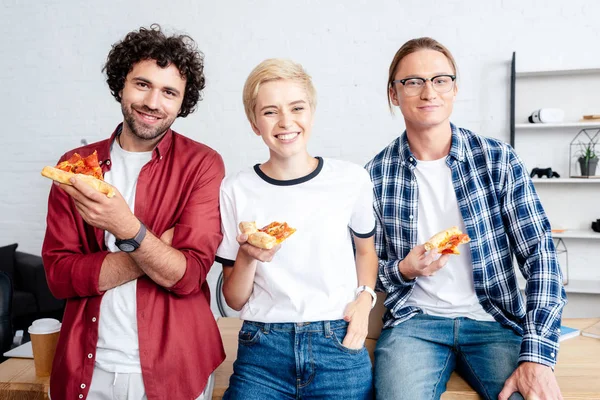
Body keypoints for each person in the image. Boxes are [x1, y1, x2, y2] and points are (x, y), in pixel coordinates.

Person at [366, 37, 567, 400]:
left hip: (493, 320)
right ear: (394, 95)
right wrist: (405, 269)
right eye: (413, 81)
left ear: (455, 89)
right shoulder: (374, 175)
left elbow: (542, 256)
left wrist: (538, 355)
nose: (429, 92)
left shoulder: (497, 159)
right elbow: (367, 270)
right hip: (415, 324)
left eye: (440, 80)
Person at [42, 25, 225, 400]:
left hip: (176, 367)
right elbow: (59, 277)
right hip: (86, 367)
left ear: (182, 101)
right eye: (142, 84)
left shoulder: (203, 165)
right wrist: (152, 248)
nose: (153, 102)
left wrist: (123, 228)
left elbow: (188, 277)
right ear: (121, 84)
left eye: (169, 92)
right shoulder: (74, 167)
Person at [216, 58, 378, 399]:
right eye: (270, 111)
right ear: (254, 122)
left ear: (312, 113)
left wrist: (365, 302)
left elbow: (366, 251)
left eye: (297, 108)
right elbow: (233, 299)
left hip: (338, 343)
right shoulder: (235, 188)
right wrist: (248, 255)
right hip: (262, 349)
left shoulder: (350, 179)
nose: (286, 122)